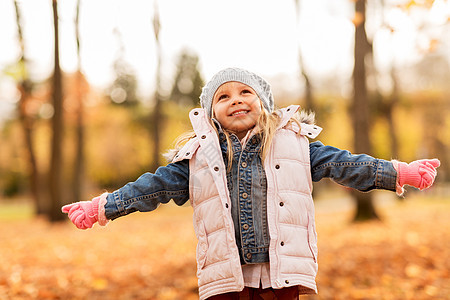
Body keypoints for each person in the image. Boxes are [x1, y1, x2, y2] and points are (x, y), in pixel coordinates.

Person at [62, 68, 440, 300]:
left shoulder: (295, 144)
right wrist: (103, 207)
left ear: (264, 103)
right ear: (211, 114)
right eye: (223, 97)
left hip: (283, 269)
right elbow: (151, 187)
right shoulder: (197, 158)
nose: (236, 100)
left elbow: (346, 165)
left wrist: (398, 172)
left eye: (245, 92)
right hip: (226, 273)